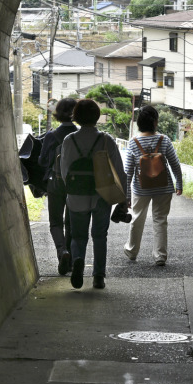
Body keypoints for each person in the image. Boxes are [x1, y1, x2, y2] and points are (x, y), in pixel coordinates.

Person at [60, 99, 126, 290]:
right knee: (99, 236)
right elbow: (119, 172)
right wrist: (123, 198)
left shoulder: (69, 140)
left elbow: (65, 171)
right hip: (102, 195)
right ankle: (98, 276)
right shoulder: (106, 140)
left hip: (76, 196)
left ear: (76, 117)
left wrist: (72, 188)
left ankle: (78, 260)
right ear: (97, 116)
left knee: (78, 237)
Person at [123, 105, 183, 266]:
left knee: (137, 218)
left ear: (139, 123)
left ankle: (132, 251)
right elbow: (175, 164)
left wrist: (126, 196)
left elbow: (128, 172)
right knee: (160, 220)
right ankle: (160, 256)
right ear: (155, 122)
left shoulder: (134, 142)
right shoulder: (164, 140)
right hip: (164, 187)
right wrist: (179, 183)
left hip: (141, 188)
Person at [38, 98, 77, 276]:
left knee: (55, 222)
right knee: (70, 222)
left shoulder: (51, 136)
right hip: (75, 183)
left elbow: (42, 161)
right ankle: (69, 261)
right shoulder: (79, 135)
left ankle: (62, 252)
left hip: (54, 182)